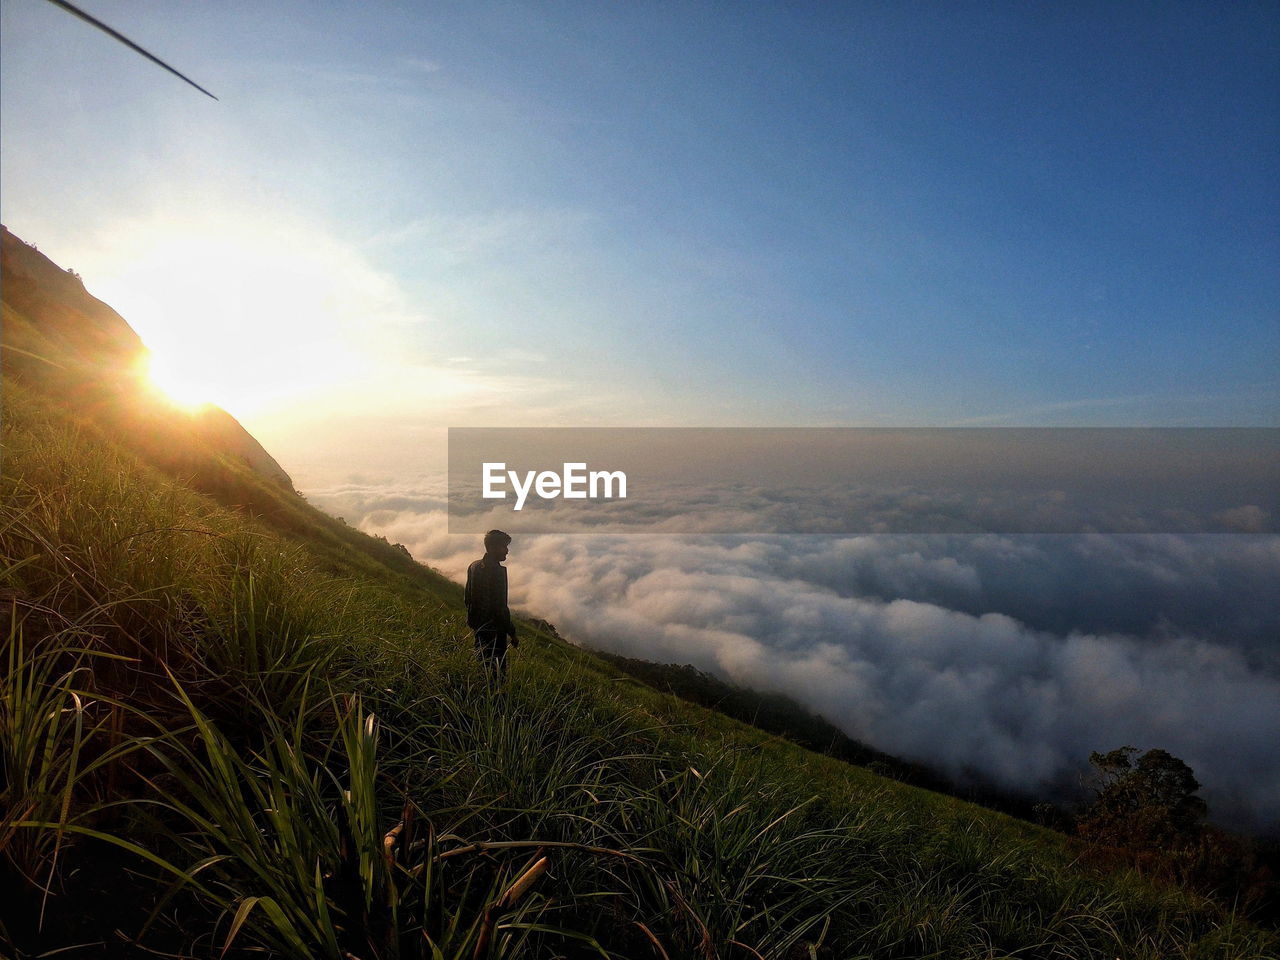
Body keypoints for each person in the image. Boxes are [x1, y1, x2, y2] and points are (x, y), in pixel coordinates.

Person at [464, 529, 518, 683]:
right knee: (497, 674)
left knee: (481, 665)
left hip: (479, 627)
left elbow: (467, 598)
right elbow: (500, 608)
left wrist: (474, 621)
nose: (507, 550)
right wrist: (512, 634)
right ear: (493, 548)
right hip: (495, 631)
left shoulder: (474, 566)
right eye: (504, 546)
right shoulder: (496, 572)